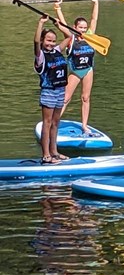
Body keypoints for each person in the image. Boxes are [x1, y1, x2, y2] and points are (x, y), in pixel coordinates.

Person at [53, 0, 99, 135]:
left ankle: (85, 126)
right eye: (80, 27)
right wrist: (58, 8)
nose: (83, 30)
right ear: (75, 27)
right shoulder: (71, 38)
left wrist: (95, 3)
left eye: (85, 28)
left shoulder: (90, 37)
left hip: (88, 70)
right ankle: (54, 123)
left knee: (86, 98)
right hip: (75, 72)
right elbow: (62, 24)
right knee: (65, 99)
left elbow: (94, 19)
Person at [33, 15, 71, 164]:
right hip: (49, 91)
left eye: (53, 41)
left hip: (60, 90)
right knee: (47, 123)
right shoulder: (40, 56)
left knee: (56, 123)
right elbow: (36, 41)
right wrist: (41, 23)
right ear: (43, 41)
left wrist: (58, 25)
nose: (51, 43)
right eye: (48, 40)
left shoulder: (56, 50)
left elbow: (69, 36)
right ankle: (46, 155)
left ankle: (54, 152)